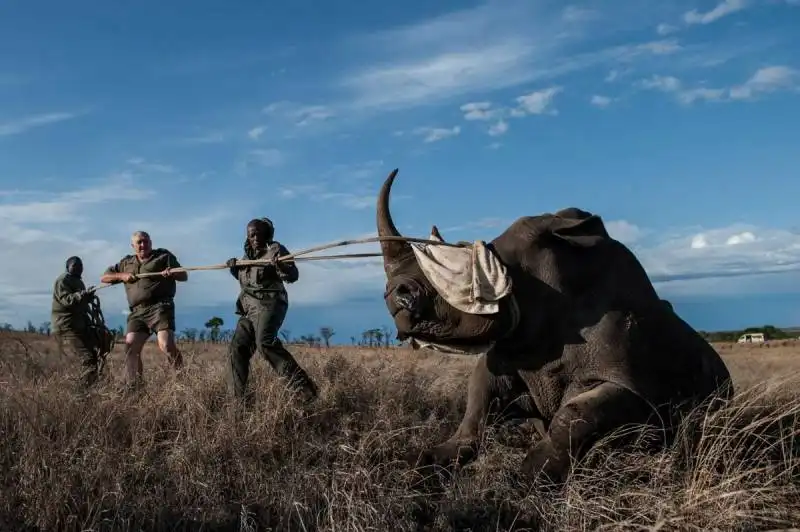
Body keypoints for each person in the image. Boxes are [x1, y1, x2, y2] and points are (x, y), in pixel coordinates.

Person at [225, 217, 318, 405]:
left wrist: (280, 265)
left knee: (265, 342)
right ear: (248, 237)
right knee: (237, 348)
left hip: (270, 304)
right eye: (252, 234)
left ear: (268, 234)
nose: (256, 237)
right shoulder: (244, 258)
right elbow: (247, 281)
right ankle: (238, 401)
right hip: (249, 308)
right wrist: (234, 269)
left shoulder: (276, 250)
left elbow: (293, 275)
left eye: (260, 233)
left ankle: (305, 390)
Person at [100, 230, 187, 390]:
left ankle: (181, 380)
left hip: (160, 307)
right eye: (139, 242)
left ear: (151, 242)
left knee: (166, 345)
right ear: (132, 245)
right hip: (137, 312)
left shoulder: (163, 256)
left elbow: (183, 275)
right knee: (130, 347)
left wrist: (171, 273)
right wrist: (122, 276)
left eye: (146, 241)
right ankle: (135, 387)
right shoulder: (126, 262)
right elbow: (104, 277)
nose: (143, 245)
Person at [51, 256, 99, 390]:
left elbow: (80, 303)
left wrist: (87, 297)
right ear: (68, 267)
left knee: (95, 355)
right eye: (75, 266)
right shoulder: (63, 280)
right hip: (67, 326)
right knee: (87, 358)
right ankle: (80, 391)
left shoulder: (78, 281)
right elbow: (67, 300)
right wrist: (82, 294)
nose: (79, 268)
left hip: (79, 326)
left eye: (80, 266)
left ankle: (91, 386)